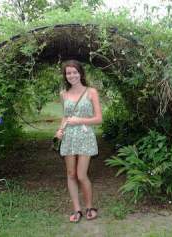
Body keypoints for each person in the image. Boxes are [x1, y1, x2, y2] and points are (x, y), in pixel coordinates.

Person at [55, 59, 102, 223]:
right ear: (65, 75)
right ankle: (77, 209)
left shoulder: (91, 92)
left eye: (74, 72)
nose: (71, 75)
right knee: (71, 174)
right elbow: (65, 116)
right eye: (68, 73)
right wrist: (60, 130)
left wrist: (79, 120)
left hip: (85, 136)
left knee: (81, 175)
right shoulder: (63, 94)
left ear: (80, 73)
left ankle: (89, 206)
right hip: (68, 137)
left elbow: (98, 119)